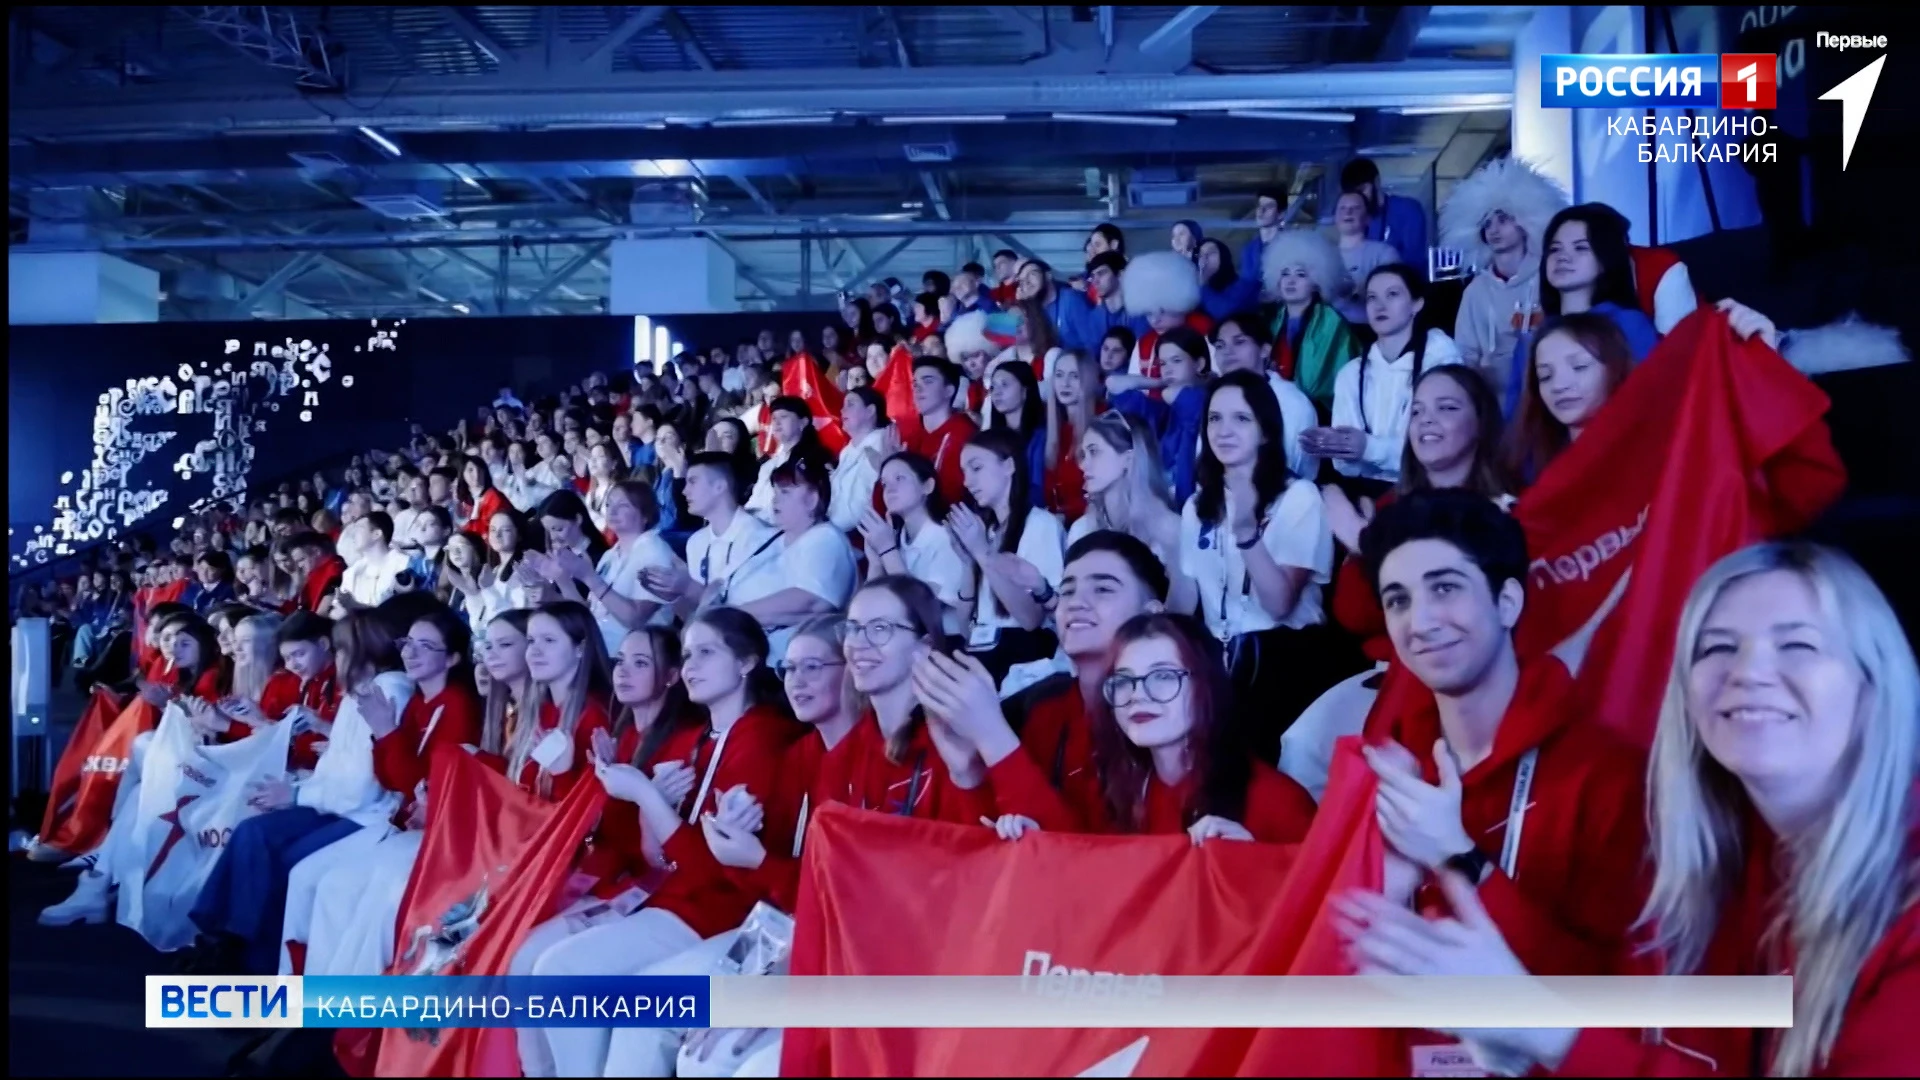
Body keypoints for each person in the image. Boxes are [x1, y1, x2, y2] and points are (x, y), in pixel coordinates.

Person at [1339, 542, 1919, 1078]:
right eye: (1717, 647)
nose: (1748, 673)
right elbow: (1629, 1008)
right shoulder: (1720, 852)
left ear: (1874, 686)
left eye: (1798, 645)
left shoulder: (1605, 776)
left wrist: (1539, 1024)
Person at [1342, 488, 1648, 1074]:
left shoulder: (1607, 776)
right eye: (1398, 599)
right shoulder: (1386, 773)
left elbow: (1621, 1003)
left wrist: (1460, 861)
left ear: (1507, 601)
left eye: (1445, 588)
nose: (1421, 621)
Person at [528, 609, 798, 1079]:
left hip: (731, 914)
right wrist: (645, 801)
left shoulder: (761, 736)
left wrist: (646, 797)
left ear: (748, 662)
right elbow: (664, 857)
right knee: (553, 968)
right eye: (688, 654)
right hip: (680, 901)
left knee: (594, 988)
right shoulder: (703, 739)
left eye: (707, 652)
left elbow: (713, 873)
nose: (691, 664)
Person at [184, 607, 414, 975]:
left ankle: (251, 964)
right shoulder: (364, 691)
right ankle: (224, 943)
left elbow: (363, 783)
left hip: (365, 814)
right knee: (252, 833)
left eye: (339, 650)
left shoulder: (389, 691)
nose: (336, 660)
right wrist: (296, 788)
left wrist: (295, 795)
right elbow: (338, 767)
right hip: (335, 802)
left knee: (287, 863)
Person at [980, 611, 1317, 843]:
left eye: (1163, 677)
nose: (1138, 695)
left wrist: (1258, 868)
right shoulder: (1116, 792)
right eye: (1124, 681)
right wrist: (1037, 841)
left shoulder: (1277, 802)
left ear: (1208, 683)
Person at [278, 605, 481, 976]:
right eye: (408, 643)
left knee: (339, 890)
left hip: (431, 834)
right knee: (312, 880)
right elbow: (394, 780)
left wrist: (386, 731)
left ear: (452, 658)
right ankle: (302, 998)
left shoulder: (456, 706)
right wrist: (383, 732)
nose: (411, 653)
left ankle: (340, 1013)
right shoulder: (419, 700)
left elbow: (419, 787)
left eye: (427, 646)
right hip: (405, 823)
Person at [923, 532, 1166, 833]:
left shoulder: (1166, 719)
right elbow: (1001, 849)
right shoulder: (1044, 713)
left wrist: (993, 736)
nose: (1076, 602)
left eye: (1102, 589)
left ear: (1151, 614)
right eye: (1067, 591)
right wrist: (968, 772)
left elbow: (1095, 861)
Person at [1181, 371, 1346, 761]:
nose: (1224, 430)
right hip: (1217, 658)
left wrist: (1247, 534)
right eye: (1215, 419)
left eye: (1241, 419)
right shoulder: (1198, 505)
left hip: (1281, 658)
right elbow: (1187, 595)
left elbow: (1279, 604)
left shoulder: (1299, 497)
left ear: (1266, 431)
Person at [1308, 264, 1464, 494]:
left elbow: (1439, 451)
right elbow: (1345, 466)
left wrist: (1368, 448)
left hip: (1430, 489)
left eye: (1393, 294)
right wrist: (1338, 445)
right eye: (1372, 298)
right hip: (1367, 491)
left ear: (1416, 304)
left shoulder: (1441, 361)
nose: (1380, 305)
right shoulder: (1351, 374)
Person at [1439, 157, 1568, 408]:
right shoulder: (1475, 293)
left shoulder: (1551, 277)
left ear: (1525, 220)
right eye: (1486, 224)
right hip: (1494, 409)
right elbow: (1464, 354)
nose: (1494, 230)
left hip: (1548, 400)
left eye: (1503, 219)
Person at [947, 429, 1068, 695]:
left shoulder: (1040, 525)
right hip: (986, 653)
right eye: (964, 471)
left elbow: (1030, 620)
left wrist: (983, 553)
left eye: (976, 468)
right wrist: (969, 563)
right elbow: (966, 628)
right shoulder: (986, 531)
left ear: (1009, 466)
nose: (967, 481)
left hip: (1022, 656)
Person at [1067, 413, 1194, 615]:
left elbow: (1183, 611)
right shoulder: (1082, 530)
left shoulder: (1169, 528)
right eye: (1084, 454)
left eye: (1094, 452)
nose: (1083, 465)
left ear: (1128, 458)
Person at [737, 457, 857, 657]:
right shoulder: (771, 540)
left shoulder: (826, 538)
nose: (775, 499)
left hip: (797, 661)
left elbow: (808, 601)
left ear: (812, 499)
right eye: (775, 492)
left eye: (785, 492)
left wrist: (734, 615)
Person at [643, 452, 782, 620]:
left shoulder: (759, 539)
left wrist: (688, 587)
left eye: (693, 482)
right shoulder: (696, 542)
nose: (685, 491)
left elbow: (745, 616)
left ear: (719, 486)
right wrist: (673, 596)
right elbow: (696, 616)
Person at [1501, 312, 1635, 483]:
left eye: (1579, 367)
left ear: (1615, 369)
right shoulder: (1534, 468)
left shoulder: (1650, 456)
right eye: (1546, 376)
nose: (1559, 386)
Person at [860, 452, 971, 634]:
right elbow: (867, 609)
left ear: (927, 486)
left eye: (900, 478)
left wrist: (888, 551)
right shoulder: (895, 537)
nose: (889, 489)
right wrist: (876, 563)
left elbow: (922, 610)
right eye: (884, 483)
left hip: (944, 644)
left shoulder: (947, 538)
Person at [1538, 205, 1661, 365]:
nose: (1562, 257)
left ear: (1605, 259)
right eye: (1554, 249)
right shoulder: (1534, 335)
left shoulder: (1629, 325)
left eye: (1580, 247)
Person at [1212, 310, 1323, 483]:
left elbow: (1294, 467)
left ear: (1264, 350)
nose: (1227, 352)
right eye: (1220, 345)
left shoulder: (1292, 402)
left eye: (1239, 342)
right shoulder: (1214, 398)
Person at [1262, 228, 1364, 414]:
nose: (1290, 281)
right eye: (1285, 273)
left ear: (1317, 281)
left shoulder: (1331, 322)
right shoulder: (1274, 321)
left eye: (1301, 274)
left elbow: (1316, 384)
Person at [905, 356, 977, 508]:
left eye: (928, 381)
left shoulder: (964, 435)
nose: (918, 388)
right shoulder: (910, 439)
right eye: (915, 383)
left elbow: (951, 497)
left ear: (948, 390)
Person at [1342, 157, 1429, 269]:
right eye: (1352, 194)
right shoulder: (1356, 219)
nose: (1358, 198)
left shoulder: (1407, 209)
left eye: (1362, 190)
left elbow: (1414, 261)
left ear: (1376, 182)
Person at [828, 387, 888, 534]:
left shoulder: (882, 444)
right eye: (843, 405)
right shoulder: (847, 450)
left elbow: (859, 507)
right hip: (832, 526)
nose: (842, 411)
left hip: (859, 536)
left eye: (850, 404)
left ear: (870, 411)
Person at [1331, 190, 1402, 310]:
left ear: (1368, 218)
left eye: (1356, 208)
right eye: (1342, 208)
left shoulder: (1384, 253)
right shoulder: (1324, 255)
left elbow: (1393, 292)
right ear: (1335, 217)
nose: (1348, 212)